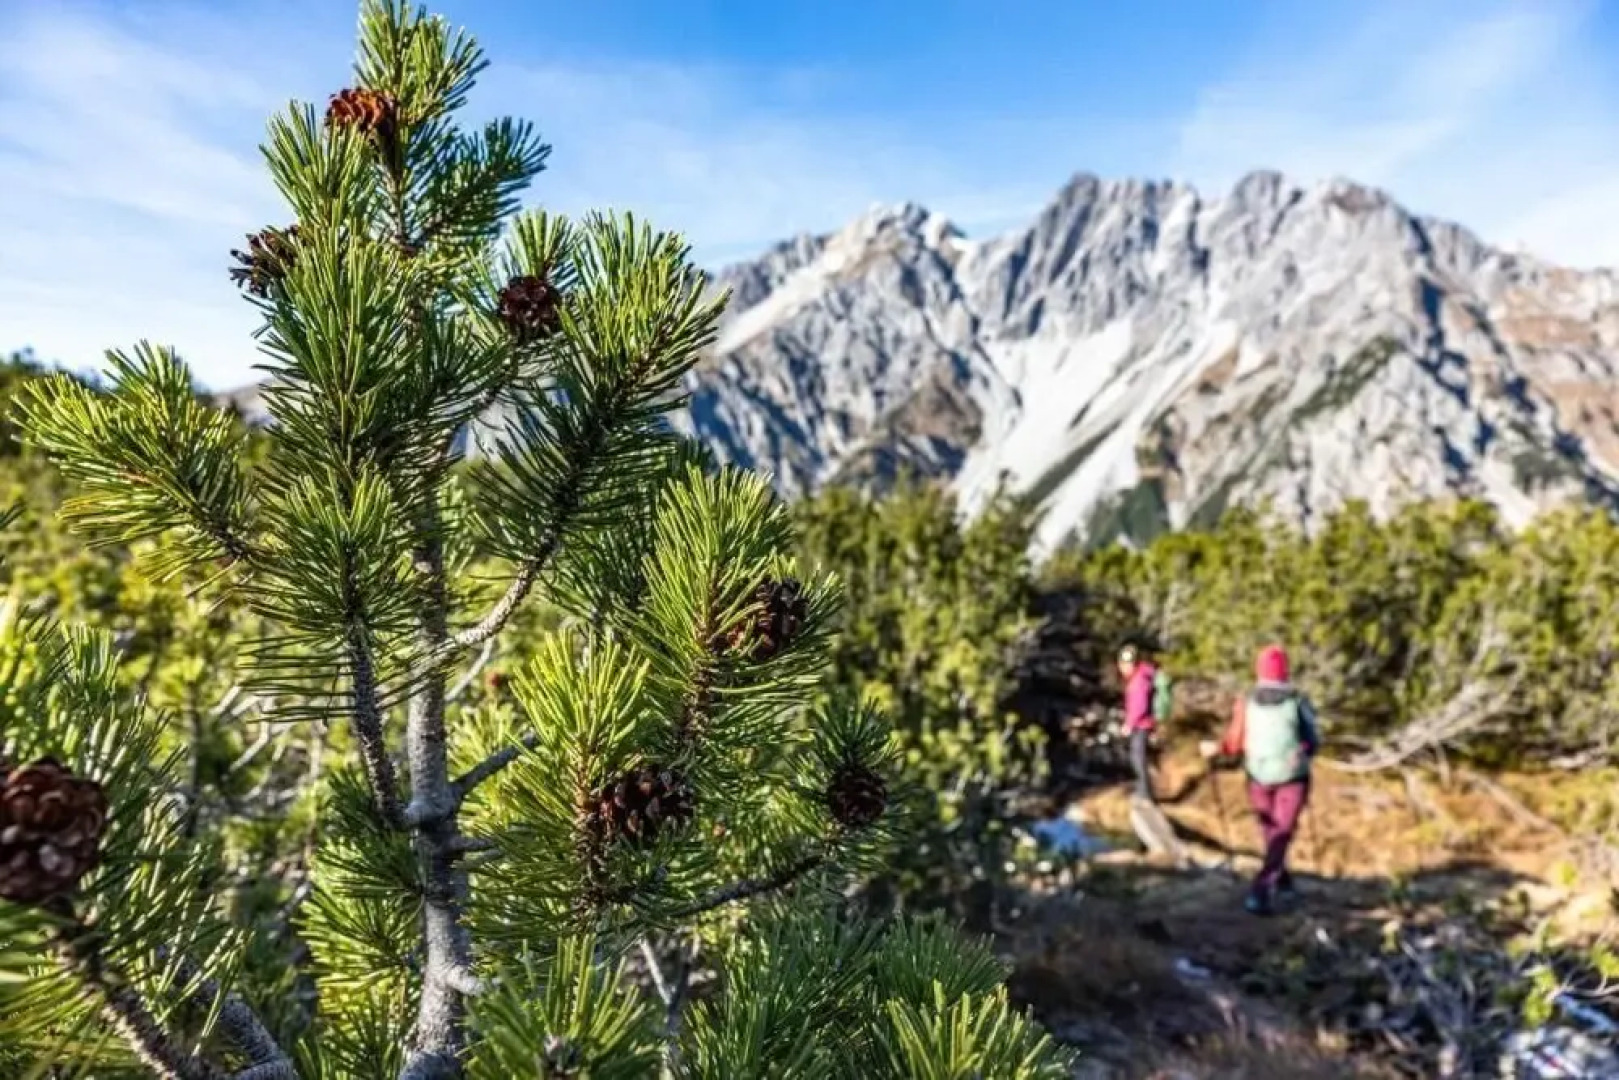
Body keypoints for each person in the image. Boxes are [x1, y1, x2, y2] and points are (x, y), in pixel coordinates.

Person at [1200, 643, 1320, 916]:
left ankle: (1268, 886)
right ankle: (1268, 887)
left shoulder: (1247, 702)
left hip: (1258, 776)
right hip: (1293, 777)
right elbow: (1313, 741)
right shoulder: (1298, 702)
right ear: (1285, 671)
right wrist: (1302, 753)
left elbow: (1234, 742)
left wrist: (1216, 749)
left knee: (1274, 834)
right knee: (1279, 834)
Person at [1116, 644, 1160, 803]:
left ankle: (1145, 794)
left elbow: (1139, 706)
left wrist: (1128, 724)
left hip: (1141, 726)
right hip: (1143, 724)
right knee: (1138, 758)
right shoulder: (1141, 677)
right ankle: (1143, 791)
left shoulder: (1139, 680)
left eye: (1123, 665)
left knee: (1138, 759)